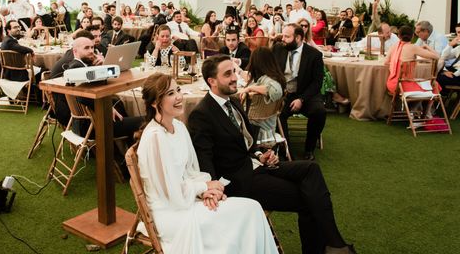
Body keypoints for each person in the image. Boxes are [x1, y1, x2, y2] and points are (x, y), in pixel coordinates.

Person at [188, 55, 355, 254]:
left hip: (256, 166)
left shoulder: (233, 102)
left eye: (233, 71)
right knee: (308, 199)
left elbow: (246, 144)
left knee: (311, 168)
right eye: (227, 74)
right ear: (211, 81)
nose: (235, 77)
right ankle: (334, 247)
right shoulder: (202, 114)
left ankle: (335, 244)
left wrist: (260, 155)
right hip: (238, 182)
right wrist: (212, 188)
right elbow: (203, 158)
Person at [136, 72, 278, 254]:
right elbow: (170, 193)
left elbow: (192, 170)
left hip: (188, 199)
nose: (179, 97)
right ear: (155, 103)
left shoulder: (178, 127)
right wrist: (203, 187)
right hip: (170, 212)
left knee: (252, 208)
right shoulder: (155, 138)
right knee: (246, 214)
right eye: (170, 94)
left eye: (178, 90)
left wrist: (208, 191)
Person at [273, 24, 326, 161]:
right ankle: (287, 151)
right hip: (284, 94)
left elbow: (317, 83)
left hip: (307, 94)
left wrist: (302, 99)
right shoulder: (278, 49)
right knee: (276, 114)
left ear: (298, 38)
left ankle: (309, 149)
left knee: (319, 112)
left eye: (287, 36)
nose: (282, 39)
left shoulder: (314, 55)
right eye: (283, 35)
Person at [243, 47, 285, 146]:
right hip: (267, 126)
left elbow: (276, 91)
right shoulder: (269, 77)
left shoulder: (268, 79)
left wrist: (250, 88)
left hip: (258, 130)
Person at [386, 25, 440, 97]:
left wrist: (396, 64)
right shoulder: (413, 47)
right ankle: (428, 108)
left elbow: (386, 62)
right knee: (435, 84)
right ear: (412, 36)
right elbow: (437, 56)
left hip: (392, 84)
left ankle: (415, 107)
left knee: (426, 83)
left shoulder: (394, 46)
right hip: (404, 86)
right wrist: (427, 46)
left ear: (399, 36)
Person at [437, 23, 460, 91]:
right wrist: (450, 45)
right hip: (454, 72)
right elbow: (443, 56)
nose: (458, 35)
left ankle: (439, 98)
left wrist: (454, 75)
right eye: (457, 33)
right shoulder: (458, 48)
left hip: (458, 74)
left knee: (437, 78)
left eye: (459, 32)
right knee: (432, 76)